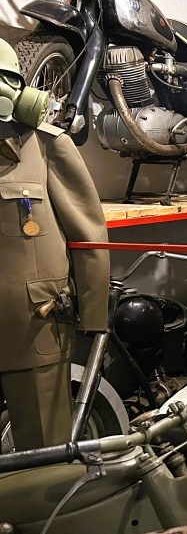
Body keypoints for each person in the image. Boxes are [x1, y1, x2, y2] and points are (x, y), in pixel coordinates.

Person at [0, 38, 110, 450]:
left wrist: (94, 319)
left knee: (44, 451)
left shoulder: (45, 146)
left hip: (35, 324)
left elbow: (89, 232)